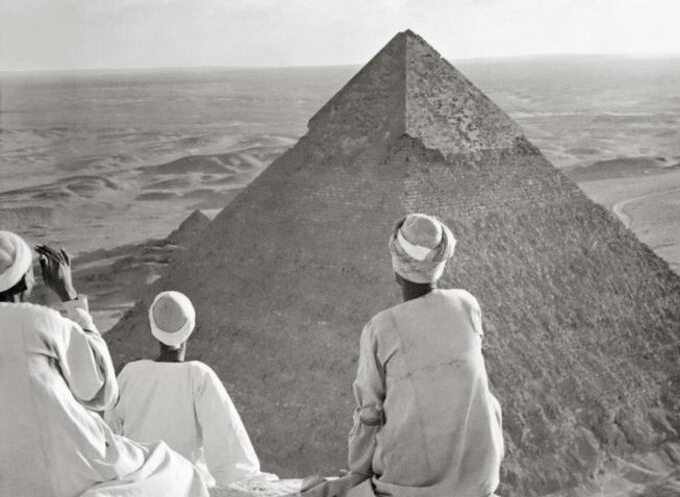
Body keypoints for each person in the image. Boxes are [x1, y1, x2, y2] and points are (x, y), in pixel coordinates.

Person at [302, 213, 504, 497]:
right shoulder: (467, 304)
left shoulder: (381, 328)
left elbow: (369, 413)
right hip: (479, 479)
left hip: (410, 486)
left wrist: (359, 474)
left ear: (396, 265)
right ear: (441, 263)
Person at [0, 231, 208, 497]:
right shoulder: (40, 322)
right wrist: (69, 296)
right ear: (26, 280)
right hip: (70, 465)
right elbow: (100, 391)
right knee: (174, 469)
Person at [105, 290, 269, 489]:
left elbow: (110, 438)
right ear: (190, 328)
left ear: (153, 329)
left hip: (139, 487)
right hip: (184, 488)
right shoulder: (198, 376)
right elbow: (229, 449)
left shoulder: (131, 373)